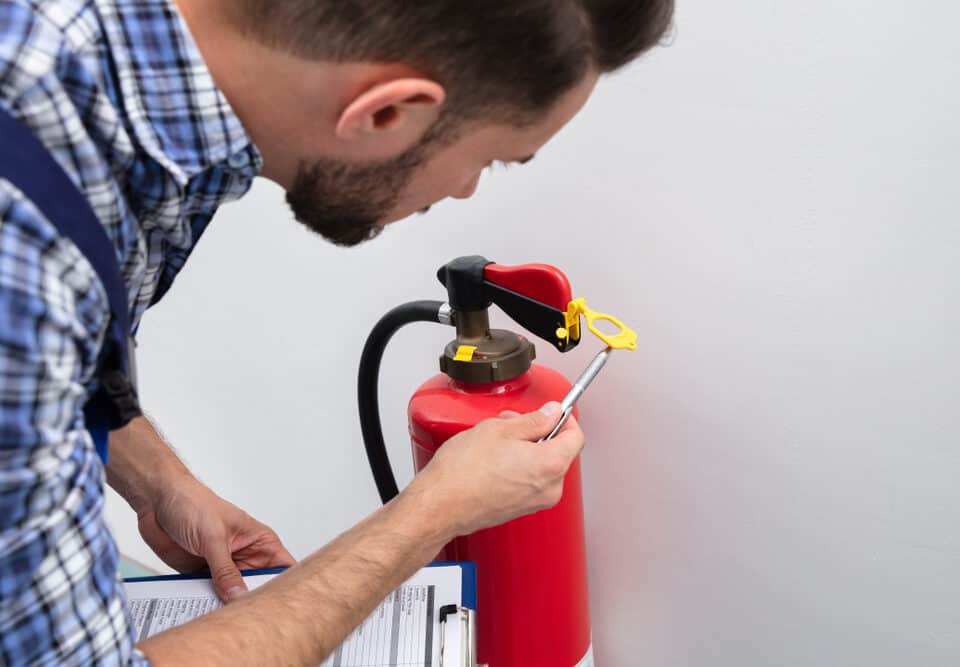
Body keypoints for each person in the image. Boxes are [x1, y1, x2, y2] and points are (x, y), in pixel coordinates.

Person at [0, 0, 674, 664]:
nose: (467, 190)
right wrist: (432, 512)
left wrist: (158, 479)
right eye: (494, 160)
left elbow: (62, 371)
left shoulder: (109, 83)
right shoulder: (24, 261)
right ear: (385, 113)